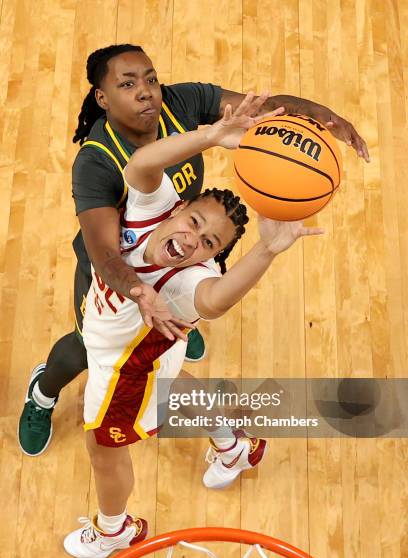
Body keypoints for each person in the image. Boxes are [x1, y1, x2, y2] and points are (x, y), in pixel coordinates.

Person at [18, 44, 370, 458]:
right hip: (118, 270)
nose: (147, 91)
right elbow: (106, 256)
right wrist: (140, 292)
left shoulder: (180, 101)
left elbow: (268, 110)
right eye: (127, 84)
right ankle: (42, 394)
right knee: (85, 348)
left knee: (177, 330)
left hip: (184, 242)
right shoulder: (97, 161)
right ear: (102, 97)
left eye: (150, 78)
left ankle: (193, 353)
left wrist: (326, 118)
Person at [63, 93, 324, 558]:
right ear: (176, 209)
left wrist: (266, 251)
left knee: (102, 447)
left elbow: (215, 302)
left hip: (125, 370)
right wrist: (213, 136)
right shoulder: (152, 210)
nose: (191, 240)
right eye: (194, 222)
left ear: (210, 257)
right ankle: (234, 445)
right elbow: (141, 164)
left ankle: (114, 530)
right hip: (153, 352)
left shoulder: (190, 282)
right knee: (174, 388)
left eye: (208, 243)